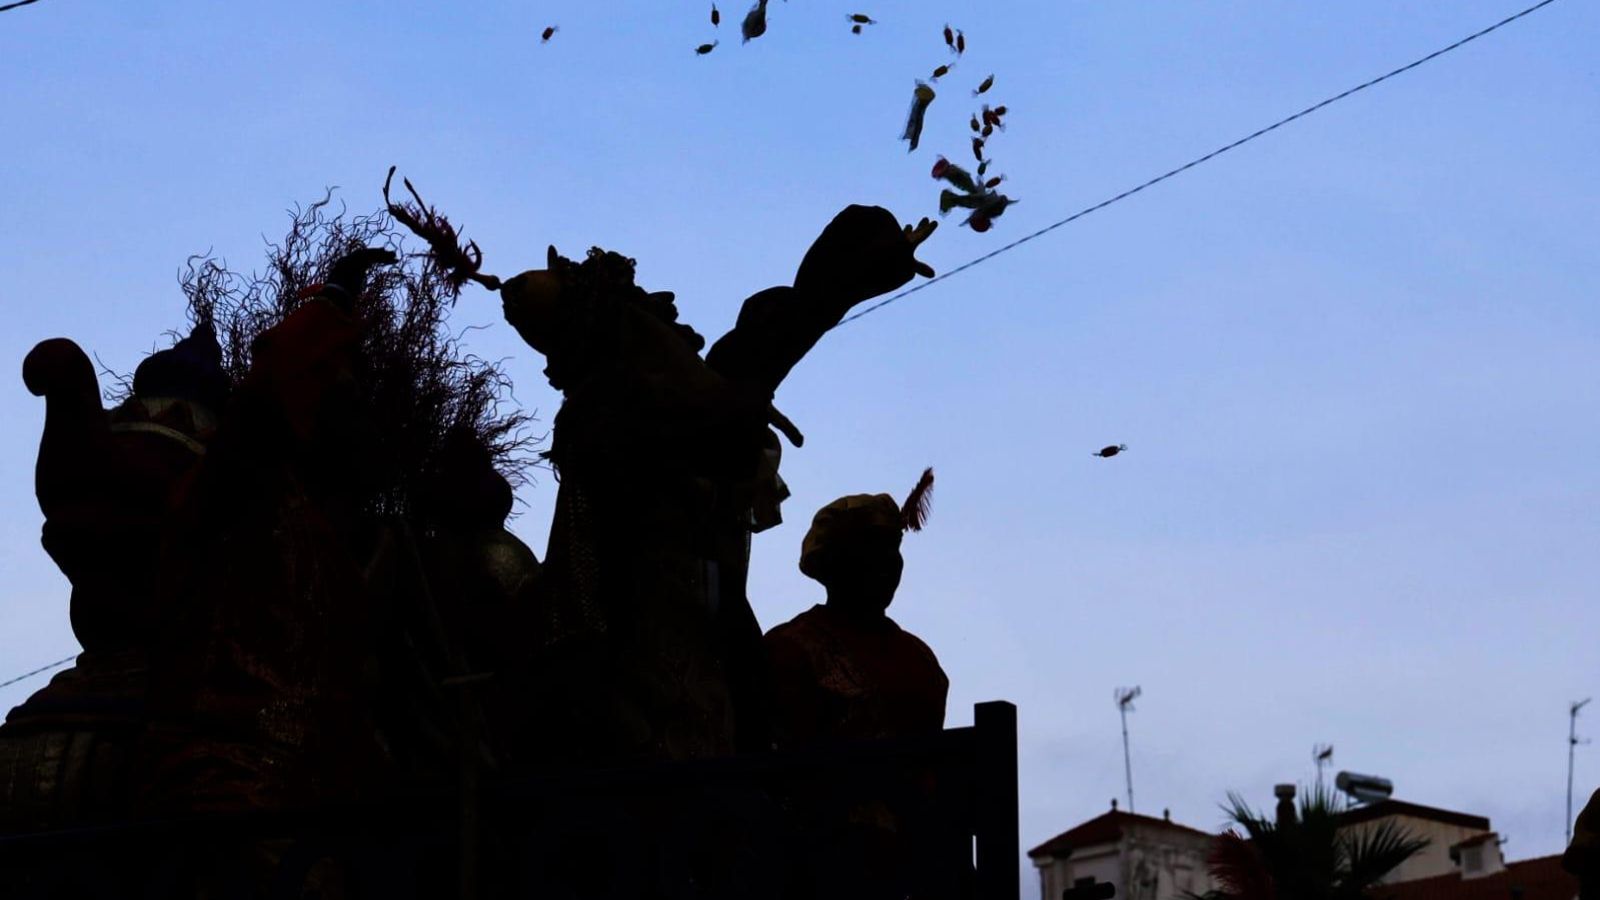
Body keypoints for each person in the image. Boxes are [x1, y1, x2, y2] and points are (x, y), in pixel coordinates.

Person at [494, 205, 938, 766]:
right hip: (652, 676)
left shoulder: (691, 393)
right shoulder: (619, 419)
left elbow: (778, 335)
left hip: (696, 652)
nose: (666, 318)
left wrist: (858, 271)